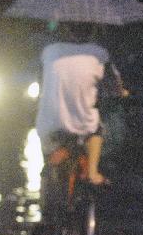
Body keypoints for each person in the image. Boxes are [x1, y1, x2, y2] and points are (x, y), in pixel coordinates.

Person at [35, 23, 119, 185]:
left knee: (47, 159)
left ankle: (47, 170)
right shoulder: (99, 53)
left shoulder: (49, 51)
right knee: (97, 129)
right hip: (82, 123)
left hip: (48, 124)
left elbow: (41, 80)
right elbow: (113, 84)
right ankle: (93, 173)